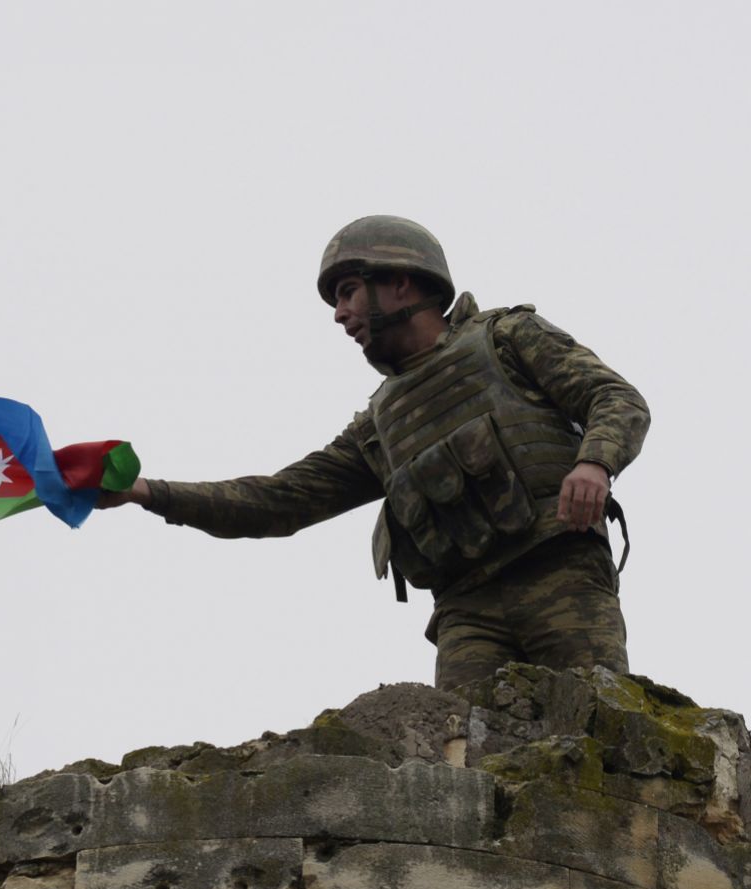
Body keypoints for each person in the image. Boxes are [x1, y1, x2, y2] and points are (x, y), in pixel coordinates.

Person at [100, 216, 650, 690]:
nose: (340, 314)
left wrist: (594, 462)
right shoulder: (377, 428)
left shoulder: (507, 337)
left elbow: (616, 398)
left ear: (401, 284)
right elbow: (276, 501)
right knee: (469, 771)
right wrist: (145, 493)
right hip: (467, 610)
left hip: (559, 569)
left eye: (347, 292)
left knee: (598, 729)